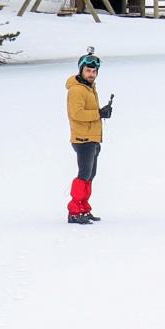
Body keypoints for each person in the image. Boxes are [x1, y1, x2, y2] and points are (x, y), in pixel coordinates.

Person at [66, 49, 113, 225]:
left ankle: (84, 208)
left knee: (90, 174)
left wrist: (102, 112)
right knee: (84, 173)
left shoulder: (89, 88)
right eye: (88, 71)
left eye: (94, 72)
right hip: (83, 139)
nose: (91, 74)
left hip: (92, 137)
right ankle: (74, 210)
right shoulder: (77, 90)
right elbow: (77, 113)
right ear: (81, 70)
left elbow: (90, 113)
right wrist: (98, 113)